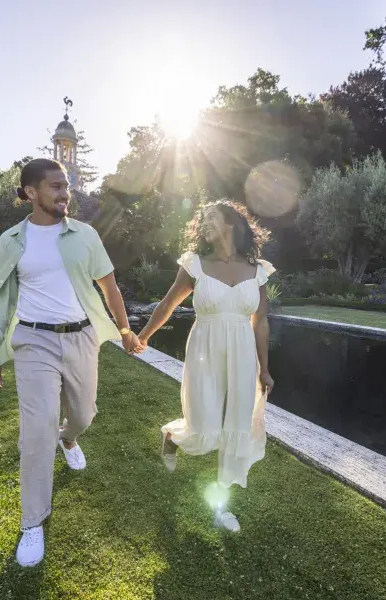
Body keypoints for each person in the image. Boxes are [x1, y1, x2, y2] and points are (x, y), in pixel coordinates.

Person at [0, 158, 142, 567]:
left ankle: (69, 438)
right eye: (55, 186)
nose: (64, 193)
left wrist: (123, 329)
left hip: (82, 336)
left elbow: (109, 286)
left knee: (84, 415)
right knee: (36, 429)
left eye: (66, 186)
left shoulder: (84, 235)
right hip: (33, 341)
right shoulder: (11, 242)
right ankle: (32, 521)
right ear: (31, 192)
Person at [136, 201, 275, 532]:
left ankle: (221, 505)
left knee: (237, 426)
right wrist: (142, 336)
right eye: (202, 220)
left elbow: (261, 321)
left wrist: (265, 369)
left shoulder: (258, 270)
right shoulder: (195, 265)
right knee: (203, 426)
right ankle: (172, 436)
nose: (204, 224)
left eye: (211, 218)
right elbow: (168, 304)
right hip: (204, 349)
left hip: (243, 352)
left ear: (231, 225)